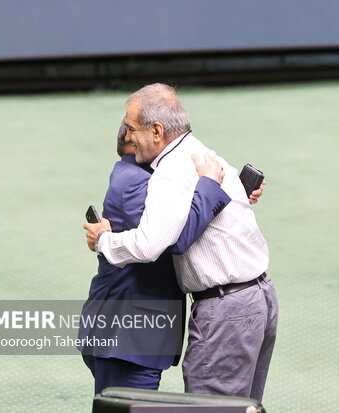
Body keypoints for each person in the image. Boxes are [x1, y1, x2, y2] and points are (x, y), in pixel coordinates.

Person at [83, 83, 278, 402]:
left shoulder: (169, 174)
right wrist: (236, 193)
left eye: (132, 128)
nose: (127, 135)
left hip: (226, 309)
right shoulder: (203, 154)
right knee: (241, 407)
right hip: (260, 299)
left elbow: (150, 245)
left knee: (212, 409)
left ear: (157, 130)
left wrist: (104, 239)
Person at [80, 121, 234, 394]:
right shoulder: (136, 182)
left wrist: (234, 191)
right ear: (132, 141)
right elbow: (179, 235)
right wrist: (211, 188)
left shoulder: (138, 176)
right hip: (126, 338)